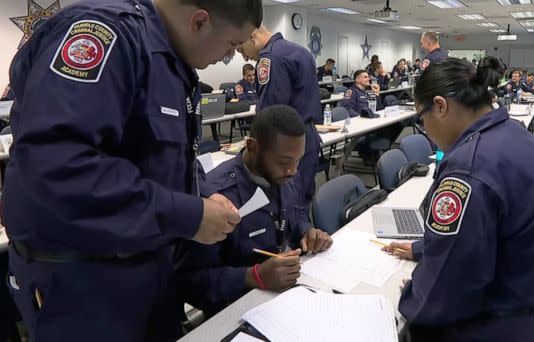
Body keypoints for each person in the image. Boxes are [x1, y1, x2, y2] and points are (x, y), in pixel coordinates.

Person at [3, 0, 262, 340]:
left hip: (147, 268)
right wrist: (188, 214)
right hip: (85, 283)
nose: (230, 57)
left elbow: (160, 155)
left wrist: (199, 193)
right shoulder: (105, 36)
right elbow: (60, 169)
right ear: (199, 21)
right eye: (230, 45)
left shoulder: (172, 62)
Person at [386, 57, 534, 341]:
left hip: (488, 326)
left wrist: (412, 294)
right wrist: (424, 248)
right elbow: (500, 231)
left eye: (421, 118)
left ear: (440, 106)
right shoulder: (525, 141)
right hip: (531, 315)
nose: (426, 131)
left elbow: (449, 280)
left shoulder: (468, 168)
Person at [176, 105, 332, 315]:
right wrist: (253, 276)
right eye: (285, 161)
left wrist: (307, 231)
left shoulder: (286, 174)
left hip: (286, 297)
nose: (294, 171)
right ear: (252, 147)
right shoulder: (217, 198)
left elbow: (293, 216)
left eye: (298, 160)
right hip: (237, 309)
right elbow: (189, 283)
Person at [237, 25, 322, 231]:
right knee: (301, 202)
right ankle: (303, 244)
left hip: (284, 145)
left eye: (241, 50)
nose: (245, 58)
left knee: (286, 205)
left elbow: (270, 115)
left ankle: (291, 252)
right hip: (306, 137)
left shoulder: (270, 58)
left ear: (252, 36)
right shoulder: (300, 51)